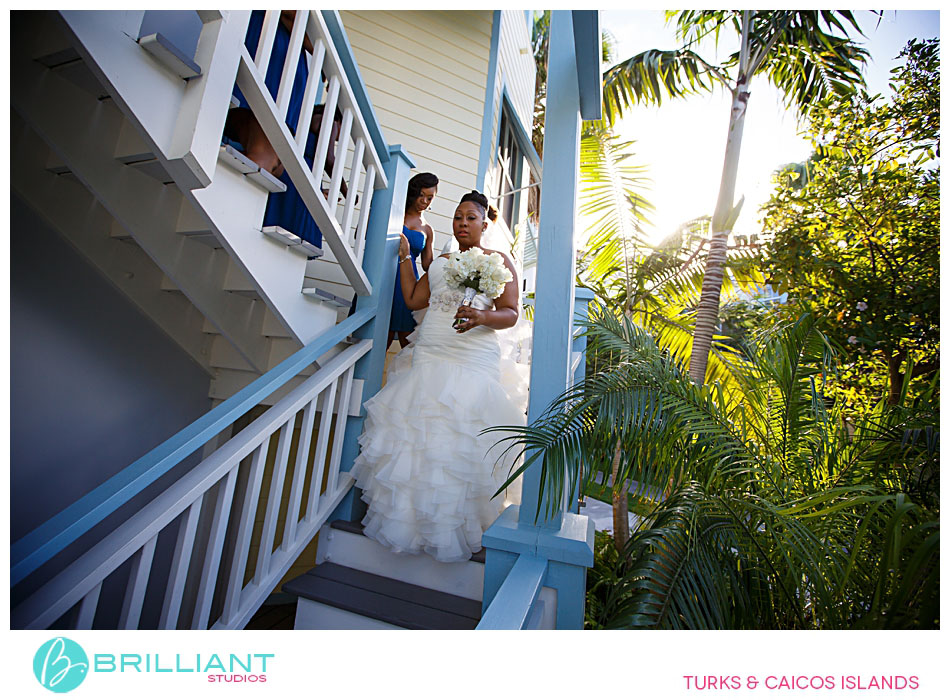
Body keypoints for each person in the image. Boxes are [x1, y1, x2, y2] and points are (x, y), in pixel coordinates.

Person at [352, 190, 524, 563]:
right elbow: (415, 300)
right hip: (431, 350)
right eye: (458, 217)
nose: (462, 223)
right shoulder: (441, 262)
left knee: (459, 438)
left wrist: (482, 316)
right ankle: (410, 523)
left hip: (472, 355)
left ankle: (452, 528)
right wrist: (405, 259)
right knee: (418, 436)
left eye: (471, 218)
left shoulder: (499, 262)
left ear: (484, 224)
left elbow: (511, 312)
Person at [389, 172, 438, 349]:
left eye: (429, 198)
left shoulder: (428, 229)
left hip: (406, 283)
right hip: (384, 275)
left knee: (407, 340)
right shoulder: (394, 213)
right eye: (421, 195)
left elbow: (428, 265)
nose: (424, 201)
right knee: (380, 337)